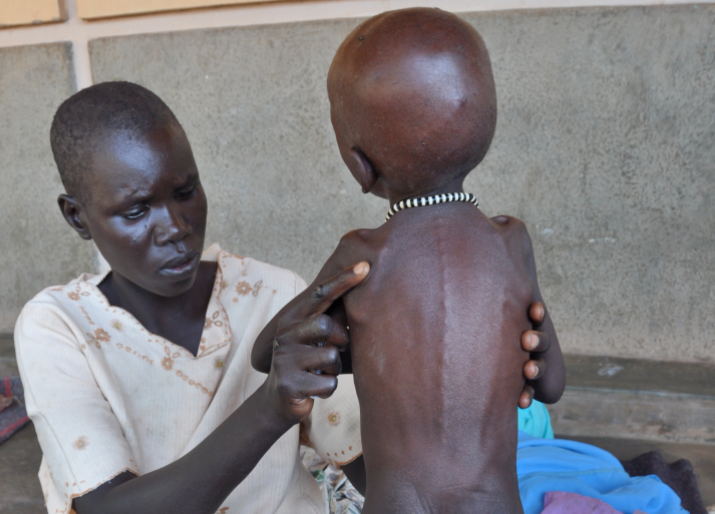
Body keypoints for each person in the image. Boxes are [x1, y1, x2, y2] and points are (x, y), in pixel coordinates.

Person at [14, 81, 554, 514]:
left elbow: (369, 453)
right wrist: (274, 406)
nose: (174, 227)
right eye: (136, 211)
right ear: (77, 216)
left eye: (185, 193)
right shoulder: (57, 327)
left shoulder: (273, 292)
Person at [256, 9, 689, 514]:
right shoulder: (511, 242)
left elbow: (267, 356)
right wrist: (531, 345)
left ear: (358, 162)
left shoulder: (364, 255)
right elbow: (550, 385)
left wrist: (336, 330)